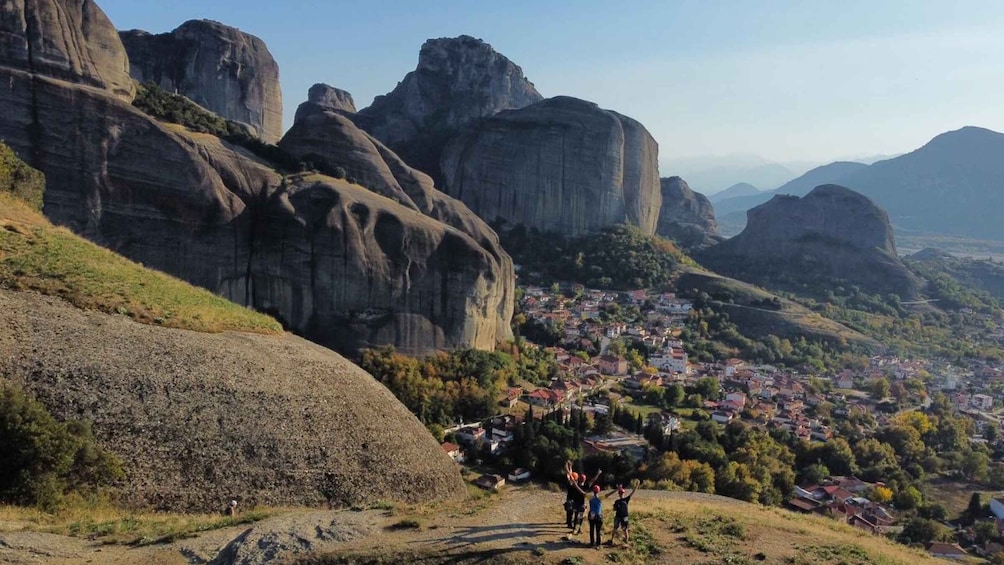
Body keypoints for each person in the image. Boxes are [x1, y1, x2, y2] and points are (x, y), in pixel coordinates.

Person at [565, 461, 602, 536]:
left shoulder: (575, 485)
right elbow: (593, 480)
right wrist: (598, 473)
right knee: (580, 518)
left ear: (579, 479)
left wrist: (568, 468)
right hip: (581, 505)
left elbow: (570, 477)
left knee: (576, 517)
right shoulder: (586, 487)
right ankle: (578, 529)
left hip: (575, 504)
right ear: (584, 480)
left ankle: (575, 529)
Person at [608, 480, 638, 545]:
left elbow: (632, 493)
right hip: (618, 516)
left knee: (625, 529)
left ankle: (626, 541)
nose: (622, 494)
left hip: (624, 517)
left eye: (622, 493)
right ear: (619, 494)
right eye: (621, 493)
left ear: (624, 493)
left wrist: (636, 486)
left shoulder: (626, 499)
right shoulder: (617, 501)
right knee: (615, 528)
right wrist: (615, 507)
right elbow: (613, 509)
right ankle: (612, 540)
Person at [587, 484, 603, 548]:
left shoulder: (590, 497)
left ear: (593, 491)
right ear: (599, 491)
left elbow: (581, 492)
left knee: (591, 529)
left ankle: (592, 543)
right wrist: (616, 490)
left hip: (592, 515)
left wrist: (575, 484)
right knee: (598, 530)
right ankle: (598, 543)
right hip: (598, 515)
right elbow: (609, 494)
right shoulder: (600, 498)